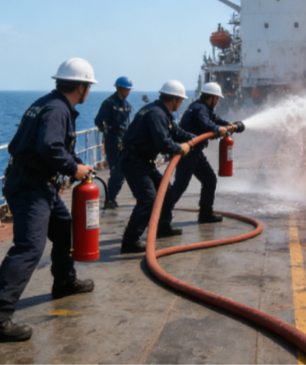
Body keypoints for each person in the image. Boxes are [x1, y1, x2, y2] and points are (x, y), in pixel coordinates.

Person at [0, 59, 98, 342]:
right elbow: (48, 147)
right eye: (88, 86)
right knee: (30, 246)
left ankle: (64, 281)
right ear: (81, 87)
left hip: (35, 182)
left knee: (62, 226)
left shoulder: (46, 103)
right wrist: (72, 168)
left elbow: (50, 146)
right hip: (31, 186)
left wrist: (77, 164)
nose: (88, 91)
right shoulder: (57, 110)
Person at [118, 81, 196, 254]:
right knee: (148, 200)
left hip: (145, 161)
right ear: (175, 99)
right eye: (181, 100)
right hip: (134, 162)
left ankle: (162, 227)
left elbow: (175, 132)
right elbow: (163, 143)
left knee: (166, 192)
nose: (181, 103)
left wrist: (194, 138)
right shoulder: (156, 114)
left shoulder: (162, 112)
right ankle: (129, 241)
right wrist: (180, 148)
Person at [162, 82, 243, 225]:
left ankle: (206, 213)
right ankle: (161, 217)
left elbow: (215, 119)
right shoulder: (200, 109)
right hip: (187, 152)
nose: (217, 102)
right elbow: (206, 123)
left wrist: (230, 125)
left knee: (209, 179)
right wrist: (219, 130)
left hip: (195, 152)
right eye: (217, 99)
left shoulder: (203, 107)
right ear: (210, 98)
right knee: (180, 186)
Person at [94, 76, 133, 209]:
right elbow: (98, 121)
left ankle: (114, 197)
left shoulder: (126, 105)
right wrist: (106, 132)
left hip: (124, 139)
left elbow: (127, 123)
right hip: (112, 140)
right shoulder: (109, 103)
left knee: (126, 169)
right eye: (126, 89)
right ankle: (110, 198)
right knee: (116, 171)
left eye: (129, 90)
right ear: (119, 89)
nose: (128, 92)